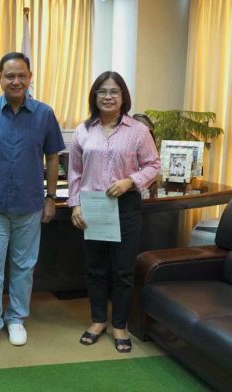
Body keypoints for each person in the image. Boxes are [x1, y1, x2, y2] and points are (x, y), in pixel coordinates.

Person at [0, 52, 66, 353]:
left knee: (24, 265)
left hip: (30, 204)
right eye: (10, 76)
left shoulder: (44, 114)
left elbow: (53, 157)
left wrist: (50, 198)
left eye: (22, 75)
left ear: (30, 77)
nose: (16, 81)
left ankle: (17, 318)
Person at [67, 71, 160, 353]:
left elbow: (154, 165)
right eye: (102, 92)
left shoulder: (138, 131)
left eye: (114, 92)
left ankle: (119, 323)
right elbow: (74, 171)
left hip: (125, 207)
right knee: (96, 268)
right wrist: (76, 205)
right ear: (94, 96)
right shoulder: (84, 130)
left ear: (123, 97)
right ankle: (98, 321)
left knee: (122, 269)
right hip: (93, 205)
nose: (108, 96)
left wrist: (130, 181)